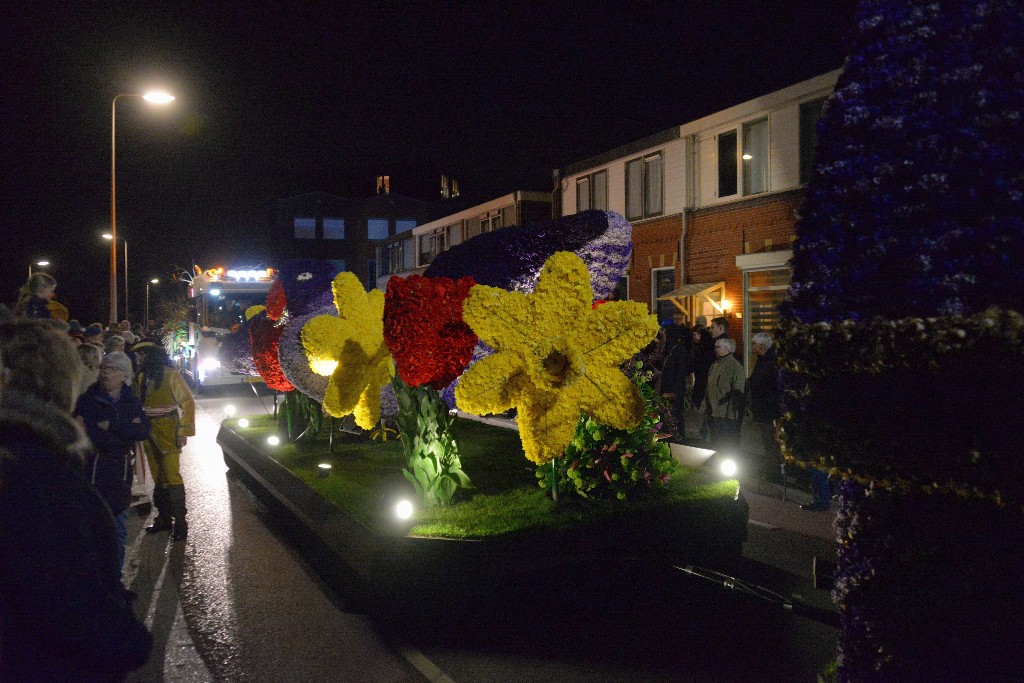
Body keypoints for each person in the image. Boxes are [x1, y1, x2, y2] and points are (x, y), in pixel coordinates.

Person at [0, 319, 151, 680]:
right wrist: (127, 630)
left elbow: (134, 429)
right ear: (61, 386)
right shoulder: (42, 481)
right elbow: (77, 609)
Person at [75, 351, 150, 572]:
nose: (106, 373)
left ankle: (114, 580)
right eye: (104, 368)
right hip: (92, 472)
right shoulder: (88, 400)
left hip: (120, 474)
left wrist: (112, 425)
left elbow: (143, 430)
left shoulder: (131, 401)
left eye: (112, 369)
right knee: (93, 530)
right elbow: (85, 433)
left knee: (118, 530)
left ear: (124, 375)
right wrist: (123, 431)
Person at [132, 340, 195, 540]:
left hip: (168, 431)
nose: (139, 358)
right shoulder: (141, 377)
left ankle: (181, 523)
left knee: (171, 476)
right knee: (158, 477)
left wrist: (183, 431)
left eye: (142, 354)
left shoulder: (171, 375)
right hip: (148, 433)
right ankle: (164, 518)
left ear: (151, 355)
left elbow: (187, 402)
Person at [746, 332, 785, 482]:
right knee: (768, 442)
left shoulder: (770, 362)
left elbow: (773, 386)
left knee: (772, 442)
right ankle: (772, 470)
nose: (752, 347)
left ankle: (775, 473)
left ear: (761, 346)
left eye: (754, 344)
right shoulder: (763, 360)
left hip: (769, 410)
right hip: (764, 409)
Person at [703, 337, 745, 453]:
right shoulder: (715, 365)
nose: (715, 350)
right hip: (713, 412)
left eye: (718, 347)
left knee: (727, 443)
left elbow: (738, 391)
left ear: (727, 349)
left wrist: (732, 411)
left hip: (726, 414)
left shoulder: (735, 367)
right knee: (715, 441)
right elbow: (709, 387)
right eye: (715, 347)